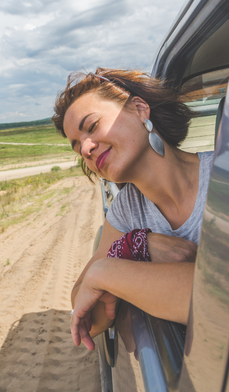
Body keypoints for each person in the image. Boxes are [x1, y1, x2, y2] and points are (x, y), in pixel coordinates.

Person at [52, 68, 214, 351]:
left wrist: (107, 271)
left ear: (140, 110)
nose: (86, 149)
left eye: (91, 127)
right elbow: (89, 318)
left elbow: (217, 299)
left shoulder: (221, 175)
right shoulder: (126, 211)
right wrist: (132, 247)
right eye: (77, 147)